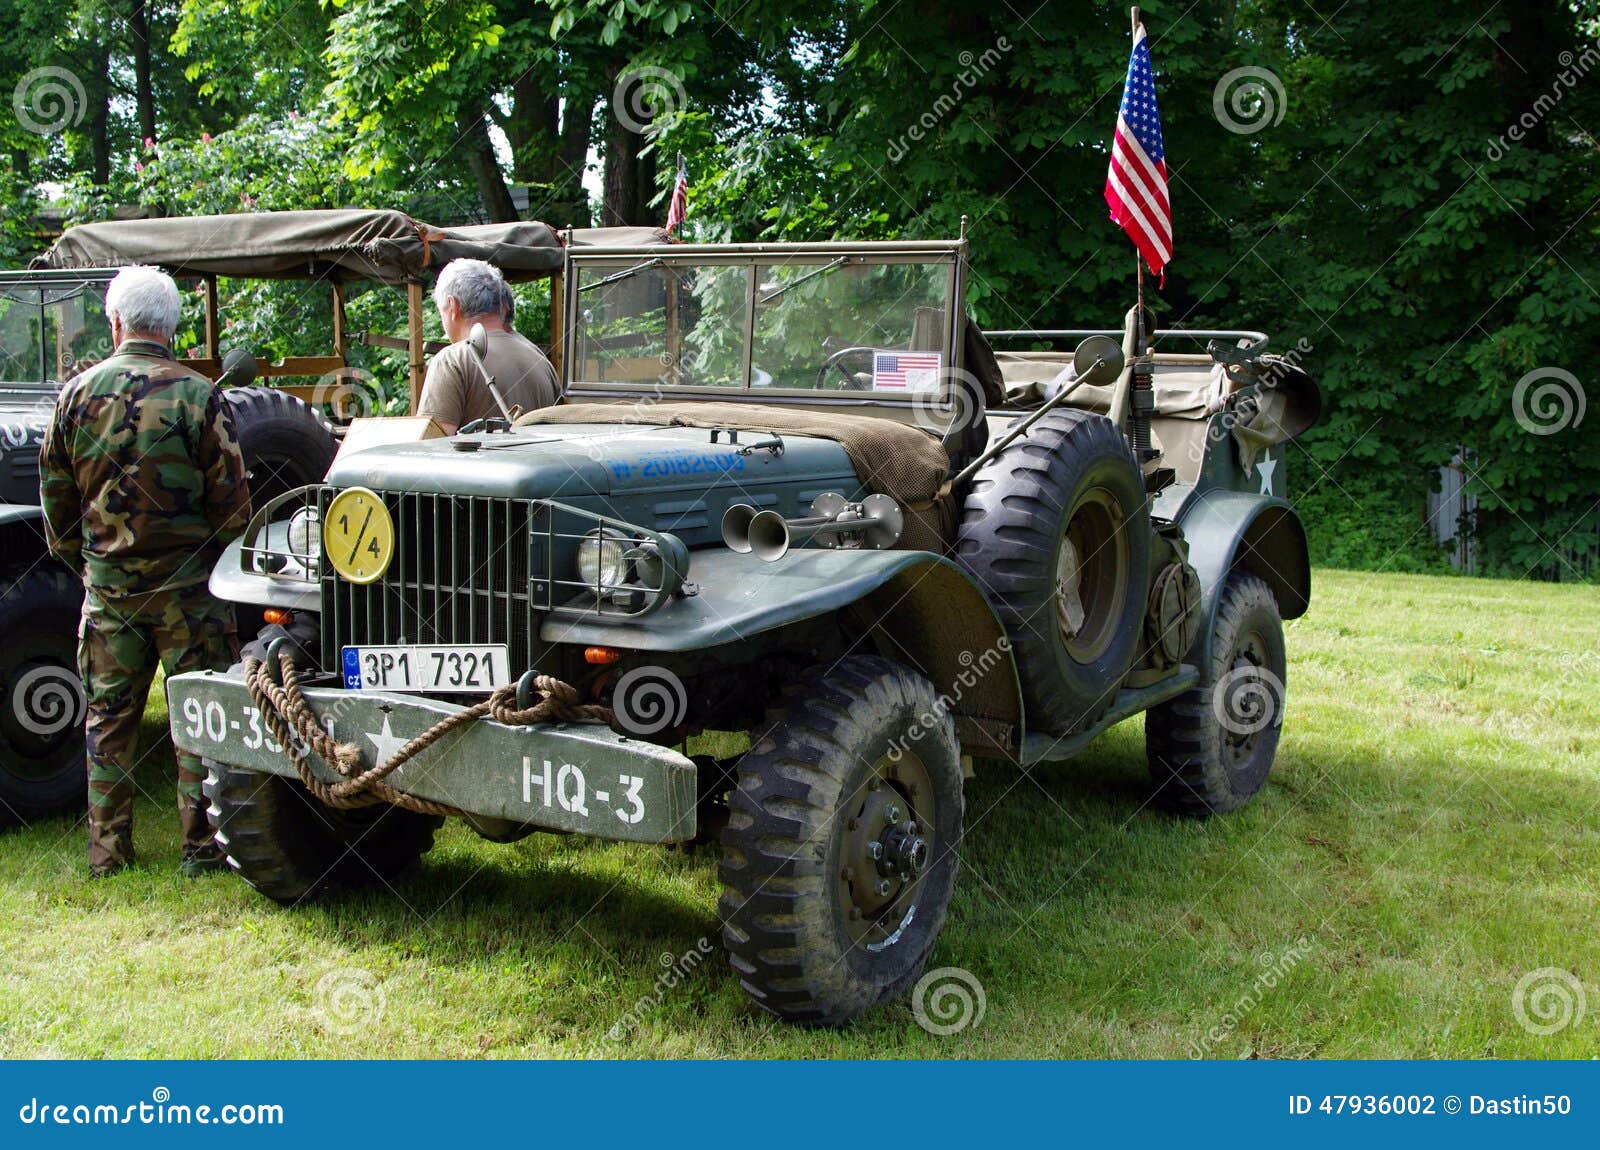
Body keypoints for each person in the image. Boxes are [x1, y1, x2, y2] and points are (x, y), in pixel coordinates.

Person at [39, 266, 251, 878]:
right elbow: (233, 505)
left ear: (116, 323)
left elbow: (55, 494)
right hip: (190, 593)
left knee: (108, 720)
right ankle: (202, 845)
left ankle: (108, 851)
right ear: (171, 325)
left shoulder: (76, 396)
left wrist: (85, 557)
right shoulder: (200, 395)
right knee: (200, 716)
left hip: (109, 589)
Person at [417, 259, 558, 433]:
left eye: (441, 312)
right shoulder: (539, 358)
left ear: (453, 306)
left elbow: (431, 447)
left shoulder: (451, 360)